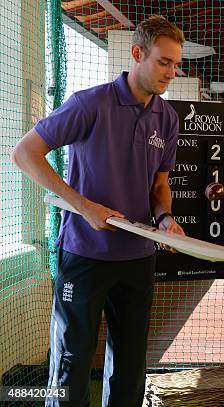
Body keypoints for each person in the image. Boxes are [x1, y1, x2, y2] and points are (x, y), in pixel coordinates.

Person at [11, 15, 185, 406]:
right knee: (71, 365)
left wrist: (166, 219)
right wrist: (84, 206)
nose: (171, 72)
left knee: (129, 367)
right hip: (84, 254)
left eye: (176, 64)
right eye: (163, 62)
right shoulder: (89, 104)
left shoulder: (168, 118)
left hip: (138, 259)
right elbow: (25, 153)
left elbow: (159, 187)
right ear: (138, 54)